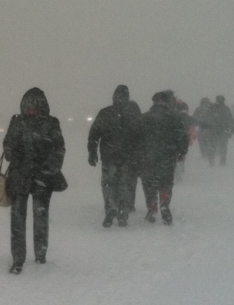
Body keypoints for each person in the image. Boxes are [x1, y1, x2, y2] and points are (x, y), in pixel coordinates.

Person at [2, 87, 66, 274]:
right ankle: (18, 259)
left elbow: (59, 149)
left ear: (42, 106)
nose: (31, 109)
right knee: (17, 221)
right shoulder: (17, 122)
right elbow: (7, 144)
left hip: (42, 180)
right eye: (28, 106)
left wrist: (50, 169)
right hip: (19, 178)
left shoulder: (51, 123)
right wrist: (9, 150)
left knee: (41, 219)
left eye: (35, 106)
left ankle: (40, 255)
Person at [87, 84, 142, 227]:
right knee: (124, 184)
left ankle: (111, 207)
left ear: (113, 97)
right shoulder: (133, 114)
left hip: (109, 155)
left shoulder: (105, 113)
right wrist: (139, 154)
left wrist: (92, 152)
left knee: (108, 183)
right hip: (127, 156)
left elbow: (94, 134)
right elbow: (141, 135)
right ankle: (123, 212)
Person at [139, 90, 189, 225]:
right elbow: (183, 137)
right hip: (168, 156)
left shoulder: (144, 118)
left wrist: (138, 154)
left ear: (154, 102)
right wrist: (181, 152)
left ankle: (152, 206)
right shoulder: (175, 117)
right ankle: (164, 204)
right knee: (166, 182)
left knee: (149, 183)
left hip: (147, 157)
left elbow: (136, 139)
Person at [211, 94, 234, 165]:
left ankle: (212, 161)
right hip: (223, 131)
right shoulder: (225, 109)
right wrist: (232, 129)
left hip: (214, 130)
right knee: (223, 147)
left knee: (213, 146)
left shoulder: (212, 108)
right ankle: (222, 161)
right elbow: (230, 119)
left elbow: (208, 118)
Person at [194, 97, 219, 166]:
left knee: (202, 143)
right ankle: (211, 157)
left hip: (202, 129)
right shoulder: (213, 108)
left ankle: (204, 155)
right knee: (212, 143)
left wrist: (197, 123)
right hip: (212, 129)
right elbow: (217, 118)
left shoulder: (198, 109)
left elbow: (194, 118)